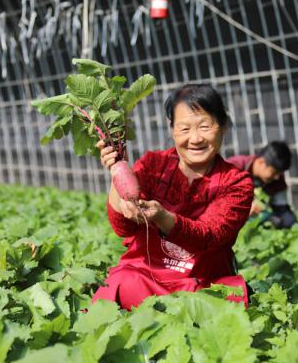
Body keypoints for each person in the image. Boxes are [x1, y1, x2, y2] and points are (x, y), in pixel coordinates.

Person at [92, 84, 254, 310]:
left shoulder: (237, 182)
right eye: (185, 129)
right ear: (172, 129)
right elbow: (123, 228)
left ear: (223, 126)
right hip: (147, 279)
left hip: (202, 284)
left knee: (224, 298)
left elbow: (208, 237)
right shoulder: (152, 165)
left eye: (205, 126)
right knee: (121, 281)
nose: (195, 138)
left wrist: (161, 216)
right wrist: (117, 171)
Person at [226, 141, 297, 229]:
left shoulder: (278, 180)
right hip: (229, 214)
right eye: (274, 172)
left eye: (280, 173)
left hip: (257, 218)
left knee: (288, 220)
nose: (277, 177)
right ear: (261, 162)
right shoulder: (234, 166)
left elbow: (281, 208)